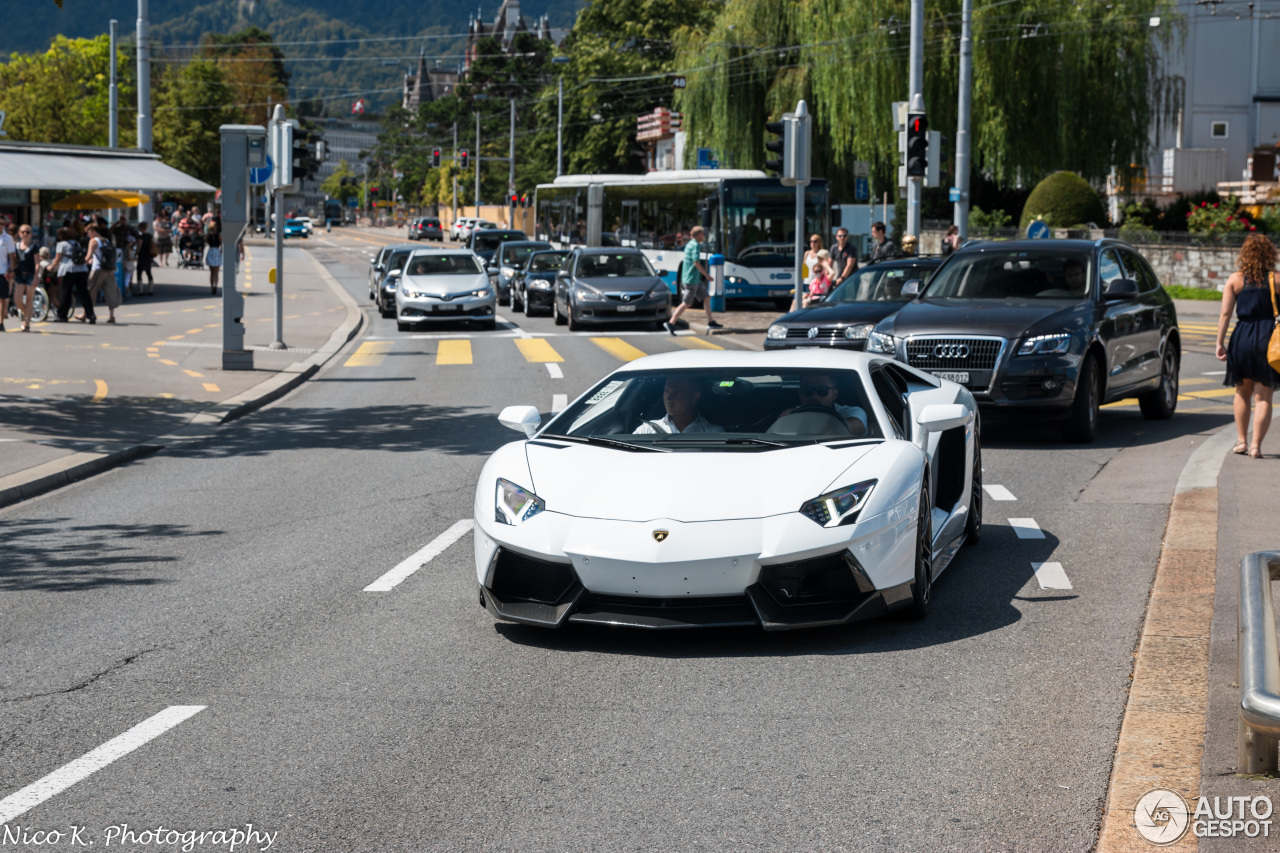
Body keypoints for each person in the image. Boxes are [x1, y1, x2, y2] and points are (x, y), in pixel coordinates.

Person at [1216, 233, 1279, 458]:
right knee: (1263, 396)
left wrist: (1219, 343)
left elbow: (1225, 313)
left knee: (1242, 393)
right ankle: (1256, 446)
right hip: (1268, 339)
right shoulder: (1277, 279)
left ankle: (1241, 441)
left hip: (1241, 337)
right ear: (1270, 254)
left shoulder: (1235, 279)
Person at [665, 225, 720, 334]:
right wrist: (707, 276)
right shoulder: (695, 245)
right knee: (686, 303)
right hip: (691, 280)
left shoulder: (690, 244)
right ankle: (671, 323)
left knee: (706, 297)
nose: (704, 236)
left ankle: (711, 321)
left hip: (694, 279)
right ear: (699, 234)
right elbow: (696, 262)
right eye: (703, 234)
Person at [775, 375, 868, 436]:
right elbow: (777, 437)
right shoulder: (790, 414)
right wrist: (784, 420)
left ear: (834, 394)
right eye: (807, 390)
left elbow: (851, 428)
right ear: (800, 393)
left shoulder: (852, 412)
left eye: (822, 390)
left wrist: (794, 421)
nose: (814, 396)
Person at [633, 375, 724, 434]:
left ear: (694, 397)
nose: (669, 397)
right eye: (666, 391)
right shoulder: (647, 430)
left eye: (677, 392)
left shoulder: (714, 434)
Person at [51, 226, 93, 324]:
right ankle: (91, 315)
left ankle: (62, 316)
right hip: (81, 269)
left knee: (66, 293)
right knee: (84, 293)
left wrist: (51, 266)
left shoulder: (61, 244)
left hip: (68, 270)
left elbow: (57, 259)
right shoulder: (76, 243)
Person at [85, 224, 119, 324]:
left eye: (88, 232)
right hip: (108, 269)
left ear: (93, 231)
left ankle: (88, 314)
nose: (88, 234)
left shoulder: (93, 241)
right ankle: (112, 316)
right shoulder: (106, 240)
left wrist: (82, 261)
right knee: (110, 292)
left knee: (91, 291)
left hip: (98, 269)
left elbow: (88, 257)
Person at [13, 224, 41, 332]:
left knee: (29, 300)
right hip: (19, 274)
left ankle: (27, 323)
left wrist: (36, 277)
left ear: (31, 234)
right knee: (18, 300)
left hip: (30, 275)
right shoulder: (16, 245)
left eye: (27, 232)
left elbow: (37, 263)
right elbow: (13, 261)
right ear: (19, 233)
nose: (25, 234)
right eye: (23, 232)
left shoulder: (34, 247)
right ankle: (28, 315)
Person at [0, 219, 15, 330]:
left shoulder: (7, 238)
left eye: (1, 224)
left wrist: (11, 270)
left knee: (2, 298)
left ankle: (1, 322)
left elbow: (12, 257)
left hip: (3, 271)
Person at [134, 221, 155, 294]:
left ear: (141, 228)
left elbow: (139, 247)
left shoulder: (141, 237)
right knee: (148, 272)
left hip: (142, 256)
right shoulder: (150, 236)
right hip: (149, 256)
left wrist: (136, 253)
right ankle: (150, 289)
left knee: (139, 272)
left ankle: (140, 290)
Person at [205, 227, 223, 295]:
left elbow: (206, 241)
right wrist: (221, 250)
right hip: (217, 251)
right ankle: (215, 285)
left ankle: (212, 286)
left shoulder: (208, 235)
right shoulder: (219, 235)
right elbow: (221, 242)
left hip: (211, 251)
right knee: (216, 272)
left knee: (212, 272)